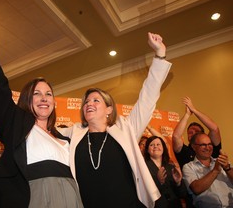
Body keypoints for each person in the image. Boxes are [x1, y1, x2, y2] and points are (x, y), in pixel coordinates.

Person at [0, 0, 83, 208]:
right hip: (35, 197)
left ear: (54, 102)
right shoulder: (16, 124)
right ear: (26, 100)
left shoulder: (65, 138)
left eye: (48, 94)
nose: (44, 98)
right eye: (37, 94)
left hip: (72, 197)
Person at [58, 32, 172, 207]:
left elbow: (147, 98)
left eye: (96, 100)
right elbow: (45, 132)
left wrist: (160, 55)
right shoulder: (73, 133)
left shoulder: (126, 129)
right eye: (86, 101)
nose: (89, 103)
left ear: (109, 109)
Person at [182, 132, 233, 207]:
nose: (207, 147)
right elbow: (196, 189)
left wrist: (227, 168)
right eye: (203, 145)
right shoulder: (188, 167)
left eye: (210, 144)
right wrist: (215, 171)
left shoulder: (223, 162)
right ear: (193, 147)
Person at [172, 96, 221, 169]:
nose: (193, 133)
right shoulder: (184, 151)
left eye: (197, 131)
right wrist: (187, 114)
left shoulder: (210, 147)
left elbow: (214, 129)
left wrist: (194, 110)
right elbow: (176, 136)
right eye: (190, 132)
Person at [144, 136, 188, 208]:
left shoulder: (171, 167)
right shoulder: (143, 168)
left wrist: (178, 182)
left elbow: (183, 194)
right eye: (151, 145)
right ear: (147, 150)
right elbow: (144, 194)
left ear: (163, 148)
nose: (155, 146)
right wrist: (159, 182)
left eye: (158, 144)